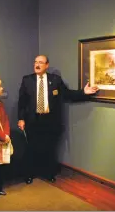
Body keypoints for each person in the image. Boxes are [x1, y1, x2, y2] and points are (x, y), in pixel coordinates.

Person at [17, 55, 99, 185]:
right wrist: (21, 118)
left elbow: (67, 94)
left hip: (50, 120)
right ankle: (29, 174)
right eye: (35, 62)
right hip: (33, 120)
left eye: (40, 63)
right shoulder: (27, 80)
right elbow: (22, 101)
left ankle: (48, 173)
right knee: (31, 149)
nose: (37, 65)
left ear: (47, 65)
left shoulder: (55, 80)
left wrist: (83, 92)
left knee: (49, 148)